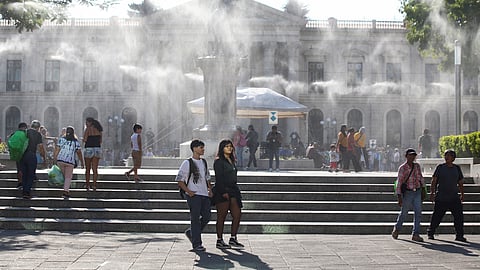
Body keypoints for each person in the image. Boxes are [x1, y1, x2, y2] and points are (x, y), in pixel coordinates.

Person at [176, 139, 212, 252]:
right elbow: (179, 180)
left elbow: (207, 177)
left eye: (203, 147)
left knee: (207, 216)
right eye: (201, 147)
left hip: (204, 194)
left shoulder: (204, 162)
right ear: (195, 148)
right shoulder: (187, 163)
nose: (203, 149)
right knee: (195, 219)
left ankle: (192, 233)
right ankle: (197, 244)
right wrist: (188, 191)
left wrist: (210, 189)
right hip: (193, 195)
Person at [427, 149, 467, 242]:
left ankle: (459, 235)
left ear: (453, 158)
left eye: (448, 155)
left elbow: (460, 182)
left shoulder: (457, 168)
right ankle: (431, 232)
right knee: (437, 216)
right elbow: (434, 180)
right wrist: (432, 193)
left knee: (459, 217)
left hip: (454, 197)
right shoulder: (440, 167)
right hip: (441, 197)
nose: (446, 157)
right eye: (445, 155)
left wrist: (462, 194)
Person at [213, 139, 244, 249]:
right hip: (222, 190)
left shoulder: (232, 160)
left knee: (237, 215)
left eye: (230, 146)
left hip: (233, 189)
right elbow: (219, 178)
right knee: (222, 216)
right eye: (226, 146)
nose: (229, 148)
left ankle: (233, 238)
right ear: (222, 148)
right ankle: (219, 240)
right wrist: (223, 191)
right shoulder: (218, 161)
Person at [392, 148, 425, 242]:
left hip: (417, 191)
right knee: (404, 213)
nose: (412, 157)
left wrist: (423, 189)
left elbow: (420, 178)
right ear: (406, 156)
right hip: (408, 192)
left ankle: (416, 233)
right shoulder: (402, 168)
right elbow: (399, 182)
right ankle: (397, 229)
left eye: (414, 156)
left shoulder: (417, 166)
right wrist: (399, 197)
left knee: (418, 213)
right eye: (410, 155)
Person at [53, 126, 84, 198]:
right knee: (68, 177)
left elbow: (57, 149)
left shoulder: (61, 140)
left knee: (64, 176)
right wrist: (82, 162)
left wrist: (54, 159)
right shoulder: (76, 142)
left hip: (60, 160)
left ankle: (65, 189)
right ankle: (65, 191)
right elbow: (79, 152)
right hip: (70, 161)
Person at [19, 120, 46, 199]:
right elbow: (40, 147)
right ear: (38, 128)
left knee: (24, 174)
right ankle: (27, 192)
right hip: (31, 155)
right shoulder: (38, 134)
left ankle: (24, 191)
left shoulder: (25, 132)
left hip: (23, 155)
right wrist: (43, 157)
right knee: (31, 174)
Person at [83, 117, 103, 191]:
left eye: (86, 122)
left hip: (89, 149)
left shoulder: (88, 129)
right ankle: (94, 185)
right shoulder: (99, 130)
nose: (86, 123)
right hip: (97, 149)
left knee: (88, 168)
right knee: (95, 169)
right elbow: (101, 141)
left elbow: (85, 139)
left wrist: (84, 139)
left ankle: (87, 185)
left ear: (89, 122)